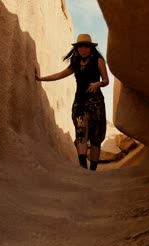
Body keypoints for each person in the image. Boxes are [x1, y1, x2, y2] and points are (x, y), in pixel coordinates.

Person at [35, 34, 109, 171]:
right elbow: (60, 75)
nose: (83, 49)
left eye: (86, 46)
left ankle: (93, 170)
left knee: (95, 136)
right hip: (79, 102)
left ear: (91, 48)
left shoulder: (98, 61)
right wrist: (41, 79)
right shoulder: (75, 63)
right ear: (77, 48)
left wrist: (98, 84)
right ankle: (82, 166)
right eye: (80, 46)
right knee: (81, 131)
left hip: (96, 102)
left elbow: (106, 81)